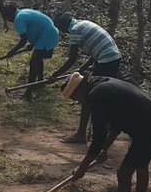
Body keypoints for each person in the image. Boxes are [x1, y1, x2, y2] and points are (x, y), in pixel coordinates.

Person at [51, 12, 123, 144]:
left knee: (89, 96)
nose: (63, 32)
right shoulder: (82, 23)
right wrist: (82, 69)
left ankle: (81, 134)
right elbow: (94, 52)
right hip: (112, 58)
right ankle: (103, 133)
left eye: (61, 29)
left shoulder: (74, 30)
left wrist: (55, 74)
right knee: (102, 97)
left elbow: (72, 58)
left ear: (63, 26)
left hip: (106, 60)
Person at [0, 3, 59, 99]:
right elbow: (37, 27)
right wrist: (33, 44)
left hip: (47, 36)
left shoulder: (19, 19)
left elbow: (23, 40)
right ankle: (40, 82)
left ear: (9, 15)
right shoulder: (24, 12)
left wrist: (12, 52)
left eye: (6, 18)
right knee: (37, 58)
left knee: (34, 61)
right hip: (50, 34)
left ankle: (28, 92)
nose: (8, 21)